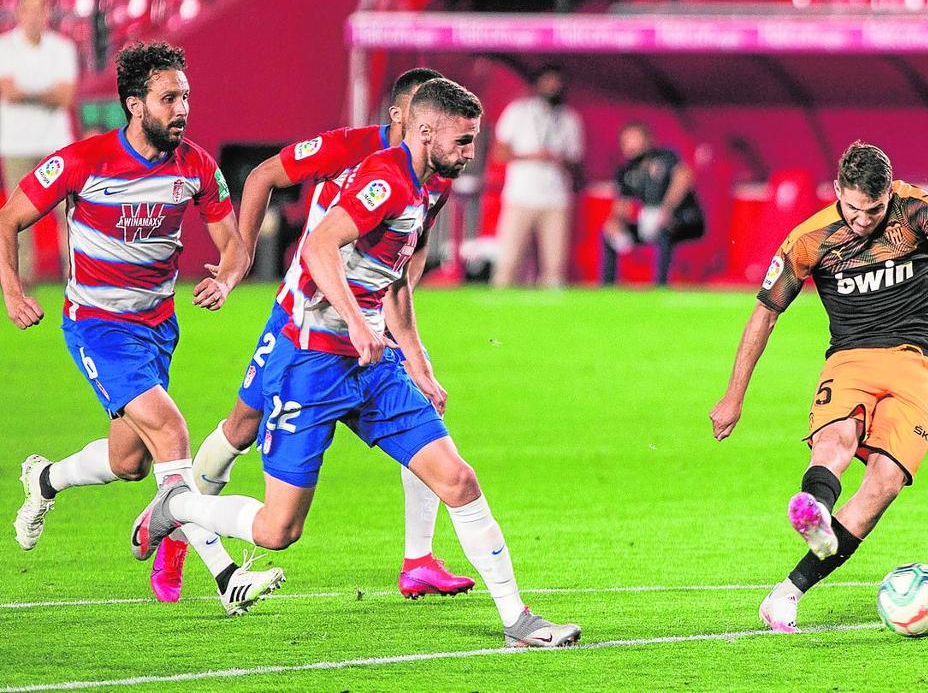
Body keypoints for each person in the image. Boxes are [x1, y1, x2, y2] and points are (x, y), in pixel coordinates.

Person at [130, 78, 582, 648]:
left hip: (371, 365)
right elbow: (317, 247)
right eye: (464, 142)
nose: (472, 154)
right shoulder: (382, 175)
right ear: (422, 129)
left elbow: (394, 280)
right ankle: (179, 507)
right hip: (312, 358)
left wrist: (414, 358)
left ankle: (518, 619)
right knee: (277, 529)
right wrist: (340, 310)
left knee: (459, 479)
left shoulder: (428, 184)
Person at [149, 68, 474, 603]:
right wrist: (239, 262)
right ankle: (178, 537)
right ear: (404, 118)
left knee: (424, 414)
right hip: (300, 319)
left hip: (361, 321)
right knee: (241, 426)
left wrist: (404, 340)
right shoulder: (350, 149)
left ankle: (419, 558)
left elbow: (404, 262)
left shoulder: (435, 176)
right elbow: (261, 177)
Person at [708, 141, 928, 633]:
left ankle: (788, 592)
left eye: (872, 210)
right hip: (850, 359)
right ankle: (818, 514)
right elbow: (765, 312)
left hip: (916, 364)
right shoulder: (810, 239)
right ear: (836, 193)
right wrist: (734, 395)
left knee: (886, 482)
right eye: (852, 208)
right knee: (837, 440)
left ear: (887, 193)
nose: (862, 220)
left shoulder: (915, 208)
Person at [2, 42, 284, 615]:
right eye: (169, 98)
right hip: (99, 326)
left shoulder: (196, 165)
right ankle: (227, 576)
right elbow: (10, 217)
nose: (182, 109)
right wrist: (12, 291)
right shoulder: (85, 160)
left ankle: (47, 480)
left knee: (130, 462)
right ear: (135, 104)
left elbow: (234, 245)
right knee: (172, 432)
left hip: (157, 327)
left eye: (186, 96)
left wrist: (227, 280)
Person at [0, 0, 77, 280]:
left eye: (40, 10)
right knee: (17, 216)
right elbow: (8, 90)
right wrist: (47, 93)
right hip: (16, 143)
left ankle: (76, 275)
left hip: (55, 143)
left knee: (68, 213)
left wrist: (24, 92)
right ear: (18, 14)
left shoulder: (63, 47)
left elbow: (66, 96)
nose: (34, 16)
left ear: (47, 13)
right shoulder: (4, 47)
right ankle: (20, 281)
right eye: (28, 10)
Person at [491, 65, 583, 288]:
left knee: (555, 267)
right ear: (537, 85)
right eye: (548, 82)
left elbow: (576, 163)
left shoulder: (570, 119)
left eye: (557, 83)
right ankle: (497, 313)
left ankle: (551, 318)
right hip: (520, 196)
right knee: (508, 263)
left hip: (556, 199)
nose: (553, 87)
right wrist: (532, 156)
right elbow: (499, 152)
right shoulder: (518, 111)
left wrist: (560, 160)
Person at [601, 122, 704, 286]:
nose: (629, 145)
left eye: (634, 139)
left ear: (646, 139)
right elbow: (622, 206)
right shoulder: (626, 171)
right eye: (625, 140)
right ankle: (607, 287)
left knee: (664, 229)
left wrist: (668, 208)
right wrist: (615, 222)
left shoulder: (666, 157)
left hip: (683, 219)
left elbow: (683, 178)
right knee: (609, 234)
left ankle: (660, 286)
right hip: (651, 221)